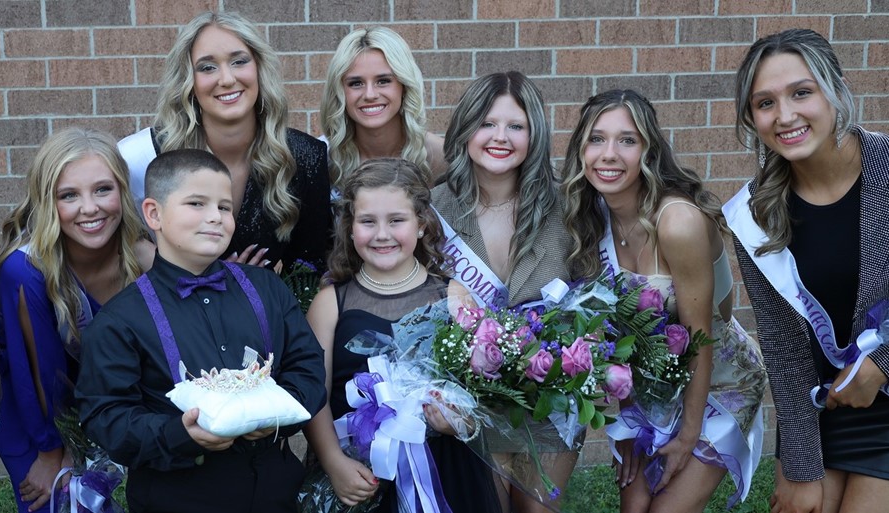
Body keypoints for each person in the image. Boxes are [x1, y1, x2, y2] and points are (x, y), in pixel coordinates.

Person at [726, 29, 889, 513]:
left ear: (836, 90)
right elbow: (784, 351)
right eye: (765, 103)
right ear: (751, 118)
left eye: (802, 92)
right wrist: (798, 467)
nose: (785, 116)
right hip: (830, 405)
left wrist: (887, 366)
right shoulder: (756, 213)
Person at [77, 149, 326, 512]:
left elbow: (309, 366)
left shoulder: (268, 289)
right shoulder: (121, 320)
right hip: (178, 496)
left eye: (225, 207)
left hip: (275, 491)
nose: (215, 218)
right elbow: (106, 416)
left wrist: (276, 413)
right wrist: (179, 433)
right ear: (154, 214)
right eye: (197, 203)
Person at [560, 90, 768, 511]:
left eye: (627, 140)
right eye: (596, 139)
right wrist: (633, 422)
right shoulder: (589, 220)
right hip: (651, 389)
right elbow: (622, 336)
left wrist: (688, 435)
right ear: (581, 150)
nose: (609, 155)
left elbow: (699, 337)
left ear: (648, 151)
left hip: (719, 386)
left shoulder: (677, 223)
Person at [304, 157, 500, 511]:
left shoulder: (453, 296)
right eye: (367, 222)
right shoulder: (330, 303)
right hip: (361, 472)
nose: (382, 234)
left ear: (422, 224)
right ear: (350, 228)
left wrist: (458, 419)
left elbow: (481, 392)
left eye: (396, 220)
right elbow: (313, 394)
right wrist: (334, 462)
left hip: (445, 470)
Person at [431, 70, 576, 512]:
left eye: (516, 126)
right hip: (472, 402)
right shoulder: (434, 209)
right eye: (487, 123)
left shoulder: (567, 206)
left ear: (535, 134)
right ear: (466, 129)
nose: (501, 137)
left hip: (550, 396)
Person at [0, 128, 154, 513]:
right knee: (58, 504)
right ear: (48, 202)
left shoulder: (146, 257)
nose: (90, 208)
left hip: (102, 394)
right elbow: (36, 371)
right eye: (69, 195)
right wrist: (50, 450)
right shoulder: (26, 270)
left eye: (103, 189)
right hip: (26, 400)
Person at [117, 10, 332, 273]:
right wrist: (206, 278)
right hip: (174, 309)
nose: (227, 79)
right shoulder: (142, 156)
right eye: (207, 67)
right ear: (188, 80)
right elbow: (122, 243)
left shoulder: (305, 156)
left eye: (239, 61)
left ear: (259, 68)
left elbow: (310, 267)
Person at [320, 27, 446, 186]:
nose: (370, 95)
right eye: (356, 83)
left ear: (404, 86)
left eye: (383, 81)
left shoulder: (442, 157)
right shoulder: (321, 158)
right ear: (339, 91)